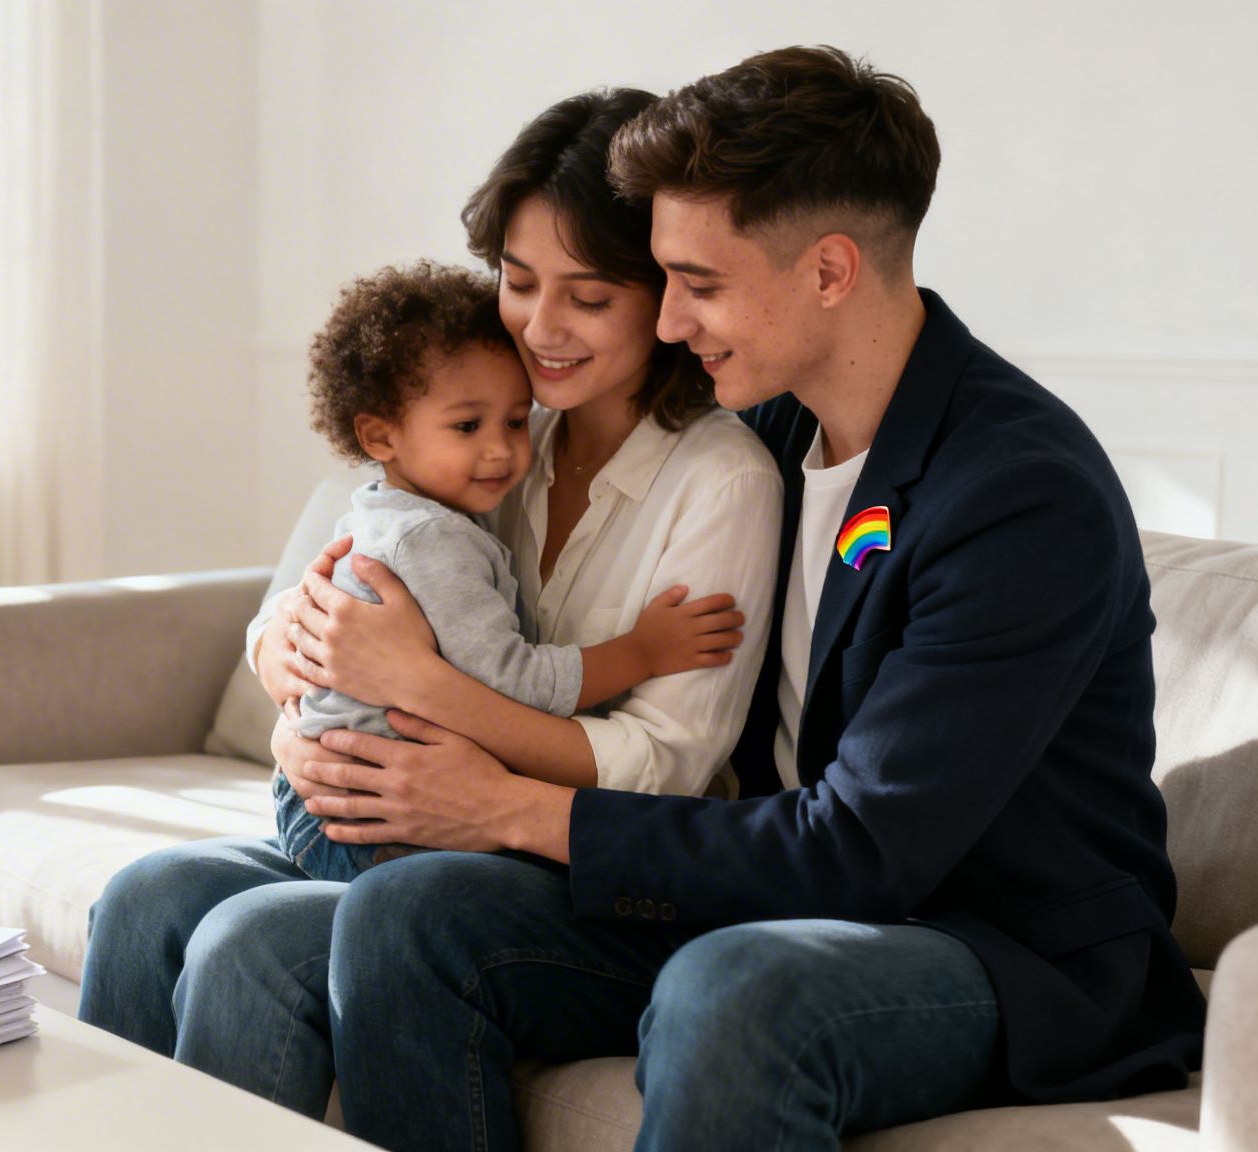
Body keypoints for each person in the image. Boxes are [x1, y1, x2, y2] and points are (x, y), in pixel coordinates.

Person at [263, 46, 1208, 1151]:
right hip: (762, 893)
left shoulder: (1015, 491)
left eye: (700, 285)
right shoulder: (770, 428)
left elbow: (865, 850)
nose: (667, 323)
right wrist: (304, 660)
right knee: (406, 918)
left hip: (991, 943)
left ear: (829, 272)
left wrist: (509, 809)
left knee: (733, 994)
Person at [76, 86, 784, 1115]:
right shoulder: (487, 419)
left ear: (665, 297)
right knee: (147, 899)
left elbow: (662, 767)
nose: (540, 327)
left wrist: (420, 689)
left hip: (592, 871)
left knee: (253, 943)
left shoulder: (720, 480)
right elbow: (291, 608)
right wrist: (296, 705)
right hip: (407, 824)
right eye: (518, 282)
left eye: (588, 298)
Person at [277, 258, 742, 883]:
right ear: (380, 437)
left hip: (340, 800)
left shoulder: (390, 508)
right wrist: (643, 652)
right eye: (467, 426)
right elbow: (513, 681)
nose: (500, 449)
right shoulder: (432, 540)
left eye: (516, 421)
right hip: (365, 817)